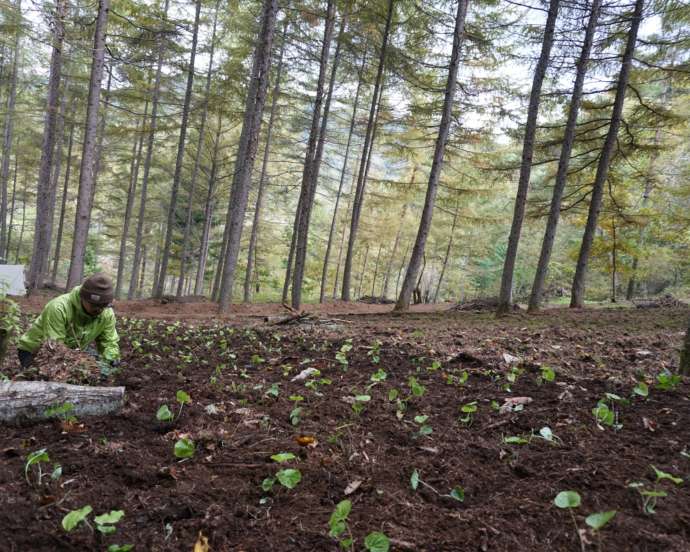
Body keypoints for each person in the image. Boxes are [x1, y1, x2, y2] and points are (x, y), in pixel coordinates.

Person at [17, 273, 120, 369]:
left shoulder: (107, 314)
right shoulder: (59, 308)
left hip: (70, 350)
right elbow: (54, 346)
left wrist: (111, 358)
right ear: (82, 297)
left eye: (103, 306)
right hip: (34, 350)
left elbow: (109, 341)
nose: (99, 310)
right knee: (42, 381)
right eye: (94, 305)